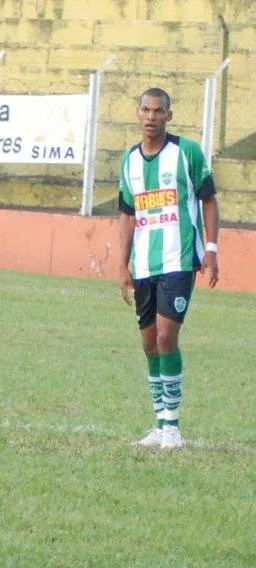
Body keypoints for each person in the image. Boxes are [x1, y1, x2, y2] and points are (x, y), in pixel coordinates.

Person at [117, 87, 219, 451]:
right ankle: (159, 425)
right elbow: (128, 215)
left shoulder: (187, 153)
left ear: (169, 115)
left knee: (165, 339)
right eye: (145, 109)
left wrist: (210, 248)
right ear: (138, 112)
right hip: (144, 265)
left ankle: (173, 428)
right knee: (148, 346)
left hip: (179, 262)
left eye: (158, 111)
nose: (151, 116)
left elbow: (209, 200)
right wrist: (122, 265)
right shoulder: (128, 160)